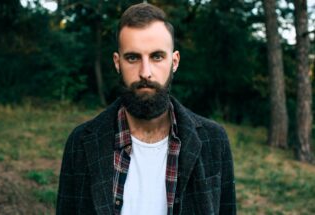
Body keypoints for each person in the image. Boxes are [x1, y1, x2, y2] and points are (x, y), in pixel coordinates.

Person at [56, 3, 236, 215]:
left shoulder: (213, 141)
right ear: (117, 62)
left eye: (157, 56)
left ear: (174, 62)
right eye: (133, 58)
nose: (145, 72)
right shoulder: (81, 143)